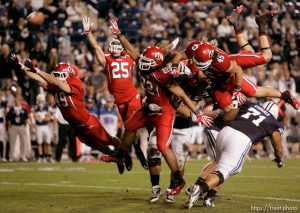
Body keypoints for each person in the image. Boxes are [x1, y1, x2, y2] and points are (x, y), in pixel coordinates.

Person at [106, 17, 213, 196]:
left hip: (165, 111)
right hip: (150, 107)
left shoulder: (164, 76)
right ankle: (121, 154)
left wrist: (198, 113)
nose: (142, 64)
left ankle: (178, 179)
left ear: (155, 64)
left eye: (147, 63)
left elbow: (181, 94)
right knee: (130, 126)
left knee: (163, 147)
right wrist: (118, 35)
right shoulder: (145, 64)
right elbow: (132, 51)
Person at [10, 54, 123, 171]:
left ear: (68, 75)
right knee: (94, 145)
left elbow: (58, 83)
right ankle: (115, 156)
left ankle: (124, 152)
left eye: (60, 75)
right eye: (56, 75)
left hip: (87, 122)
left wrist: (38, 70)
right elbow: (37, 78)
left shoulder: (76, 83)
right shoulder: (56, 86)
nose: (57, 77)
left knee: (107, 140)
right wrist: (21, 66)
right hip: (76, 125)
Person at [185, 101, 285, 209]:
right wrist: (279, 160)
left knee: (219, 167)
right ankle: (199, 189)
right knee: (226, 170)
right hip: (240, 139)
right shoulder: (273, 122)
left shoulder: (250, 105)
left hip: (225, 131)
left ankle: (209, 197)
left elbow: (227, 117)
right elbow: (278, 149)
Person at [82, 16, 148, 171]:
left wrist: (119, 34)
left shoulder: (129, 58)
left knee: (132, 128)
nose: (116, 49)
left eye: (119, 47)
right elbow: (96, 48)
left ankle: (133, 154)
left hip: (132, 97)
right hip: (119, 100)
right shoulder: (107, 60)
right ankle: (128, 154)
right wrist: (88, 33)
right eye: (114, 47)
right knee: (129, 130)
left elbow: (134, 51)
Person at [33, 93, 53, 163]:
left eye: (42, 100)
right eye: (40, 100)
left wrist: (41, 118)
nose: (41, 102)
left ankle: (49, 156)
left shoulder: (47, 107)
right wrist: (43, 117)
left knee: (48, 142)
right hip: (39, 127)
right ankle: (40, 157)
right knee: (39, 143)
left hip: (46, 126)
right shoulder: (35, 108)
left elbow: (49, 118)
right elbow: (35, 117)